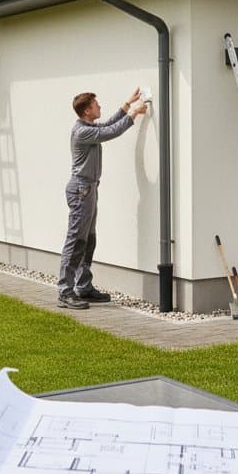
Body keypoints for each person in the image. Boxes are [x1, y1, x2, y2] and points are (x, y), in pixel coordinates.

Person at [58, 88, 149, 310]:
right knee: (76, 241)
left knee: (88, 241)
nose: (100, 107)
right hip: (81, 191)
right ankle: (65, 292)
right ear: (87, 111)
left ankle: (83, 286)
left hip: (89, 190)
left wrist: (128, 104)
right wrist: (134, 114)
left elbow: (108, 124)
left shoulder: (88, 126)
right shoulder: (82, 132)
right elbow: (111, 132)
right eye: (96, 105)